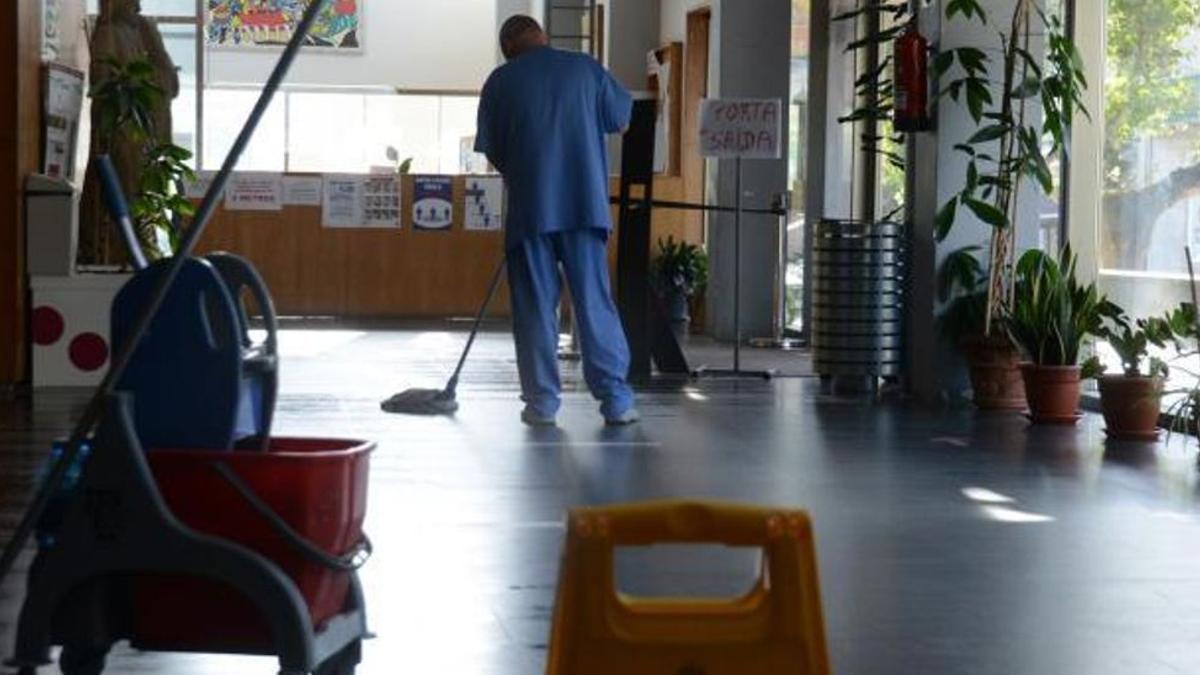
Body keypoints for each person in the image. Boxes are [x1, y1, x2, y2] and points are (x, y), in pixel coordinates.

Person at [475, 15, 638, 427]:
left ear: (508, 47)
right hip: (584, 207)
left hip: (531, 212)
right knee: (593, 303)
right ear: (542, 37)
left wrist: (527, 172)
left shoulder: (500, 82)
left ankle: (541, 403)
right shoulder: (585, 69)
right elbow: (622, 119)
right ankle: (616, 400)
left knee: (533, 309)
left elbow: (493, 151)